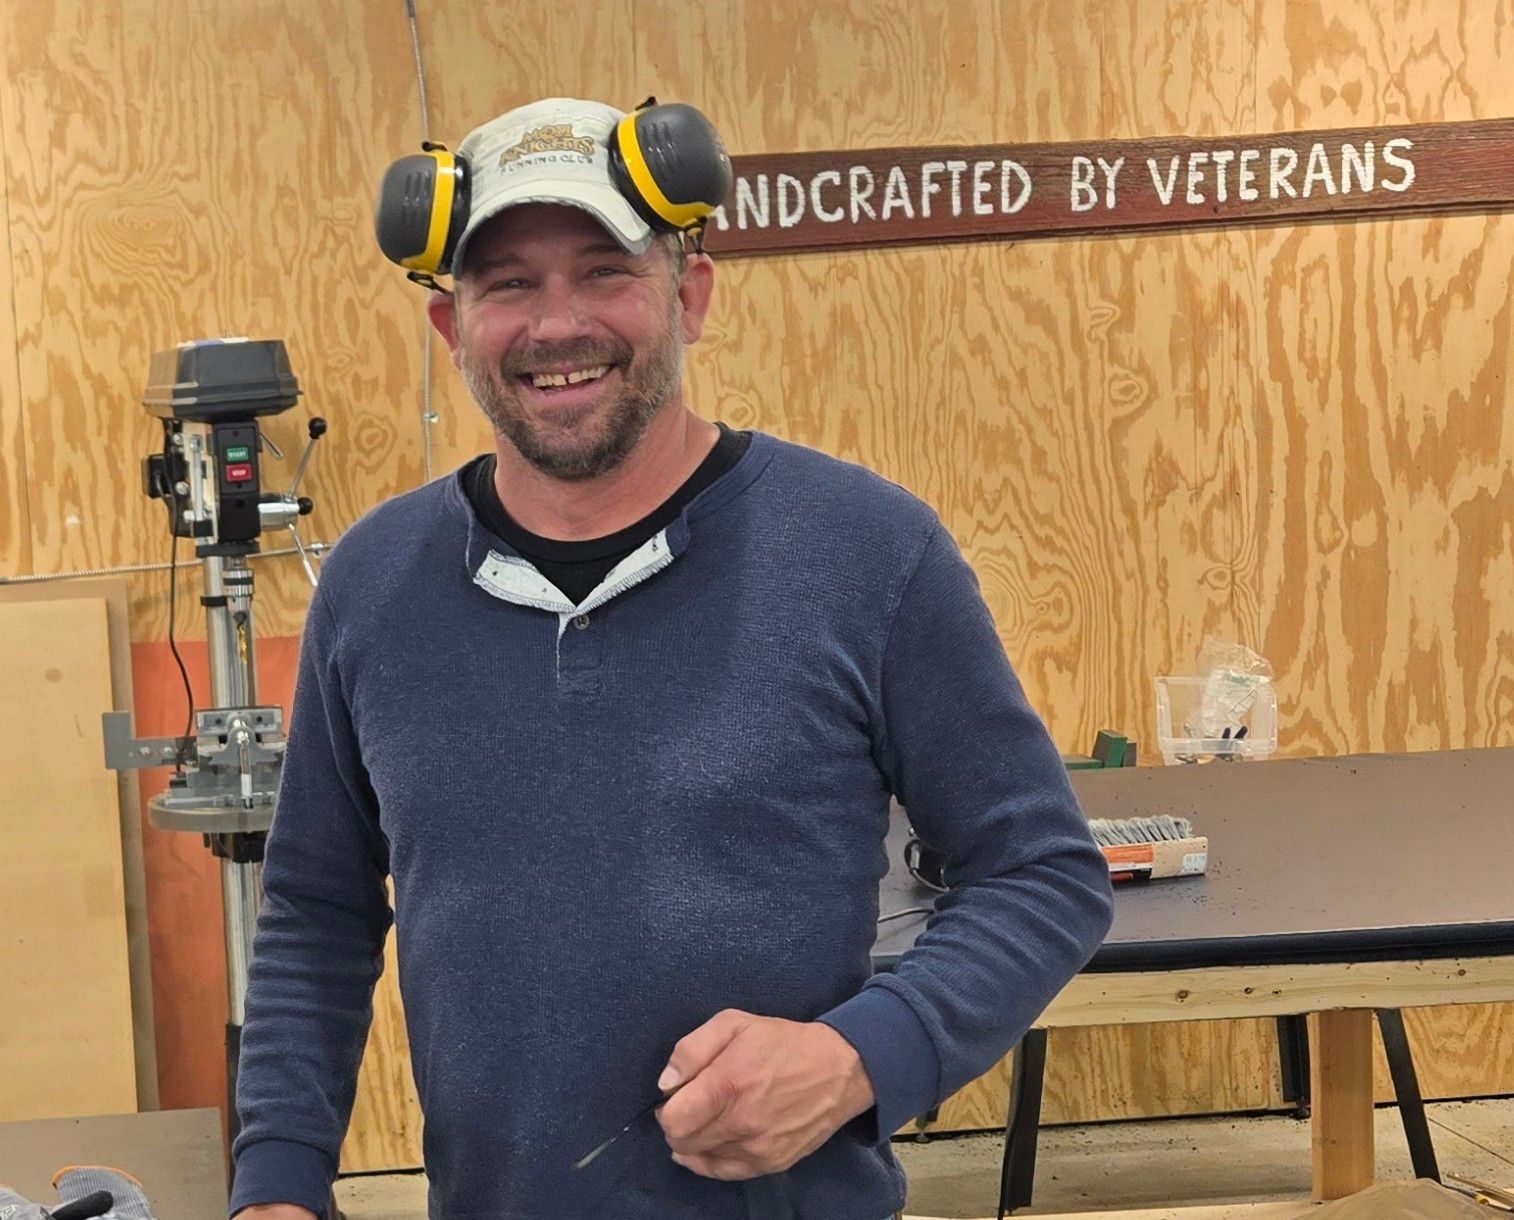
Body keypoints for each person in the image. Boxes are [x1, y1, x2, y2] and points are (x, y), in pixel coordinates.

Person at [229, 97, 1114, 1220]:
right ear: (451, 329)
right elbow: (316, 905)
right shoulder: (371, 584)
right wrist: (277, 1183)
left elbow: (1041, 873)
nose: (556, 325)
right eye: (506, 283)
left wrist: (855, 1058)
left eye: (604, 270)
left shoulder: (865, 551)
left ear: (688, 294)